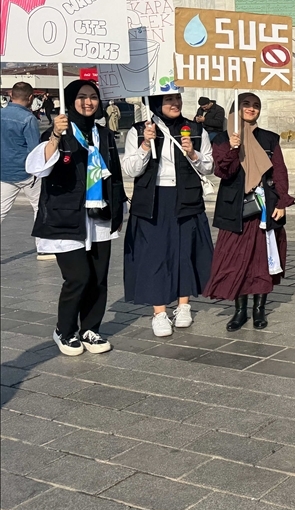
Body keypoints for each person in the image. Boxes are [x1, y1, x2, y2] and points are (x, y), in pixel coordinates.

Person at [27, 80, 125, 356]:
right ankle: (65, 330)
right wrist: (56, 137)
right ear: (70, 101)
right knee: (78, 277)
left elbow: (114, 175)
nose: (88, 102)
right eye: (81, 97)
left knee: (98, 277)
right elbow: (38, 167)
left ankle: (90, 328)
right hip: (66, 216)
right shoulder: (60, 131)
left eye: (93, 97)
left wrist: (118, 210)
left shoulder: (103, 134)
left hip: (99, 215)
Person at [123, 93, 214, 336]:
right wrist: (144, 145)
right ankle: (159, 312)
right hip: (153, 199)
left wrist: (193, 154)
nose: (175, 104)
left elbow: (209, 166)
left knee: (185, 250)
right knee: (155, 254)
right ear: (155, 104)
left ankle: (183, 306)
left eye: (177, 98)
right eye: (168, 100)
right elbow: (130, 168)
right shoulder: (139, 130)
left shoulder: (195, 129)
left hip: (186, 196)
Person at [204, 94, 294, 330]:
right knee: (235, 261)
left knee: (262, 261)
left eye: (256, 106)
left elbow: (280, 173)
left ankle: (259, 310)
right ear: (236, 108)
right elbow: (223, 171)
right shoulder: (223, 138)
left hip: (264, 208)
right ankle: (240, 311)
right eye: (246, 105)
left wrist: (282, 202)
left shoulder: (269, 138)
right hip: (235, 209)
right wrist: (234, 148)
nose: (251, 109)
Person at [1, 81, 52, 260]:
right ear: (30, 98)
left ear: (11, 95)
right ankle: (43, 248)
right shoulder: (28, 118)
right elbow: (34, 149)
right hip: (27, 172)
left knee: (1, 210)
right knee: (40, 208)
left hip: (4, 172)